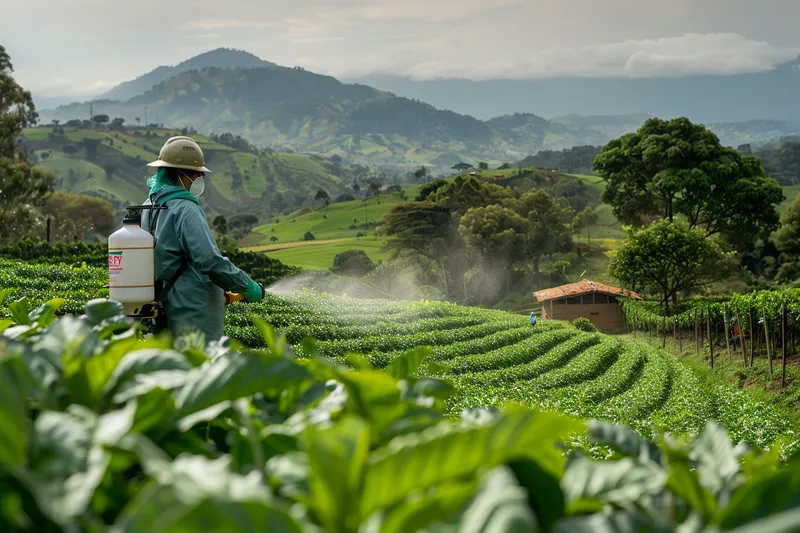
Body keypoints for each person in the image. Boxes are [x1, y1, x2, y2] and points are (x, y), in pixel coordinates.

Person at [141, 136, 264, 342]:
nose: (198, 177)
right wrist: (247, 285)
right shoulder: (185, 209)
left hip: (164, 303)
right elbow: (210, 260)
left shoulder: (149, 206)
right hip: (192, 312)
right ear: (182, 173)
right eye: (196, 173)